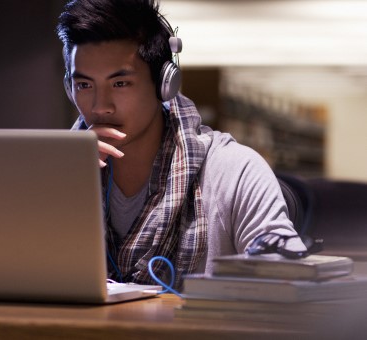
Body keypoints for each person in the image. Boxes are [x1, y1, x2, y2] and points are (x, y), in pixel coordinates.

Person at [56, 0, 302, 289]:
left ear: (165, 84)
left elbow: (288, 281)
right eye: (85, 85)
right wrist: (59, 184)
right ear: (70, 90)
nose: (101, 107)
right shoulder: (57, 173)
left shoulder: (234, 171)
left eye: (120, 84)